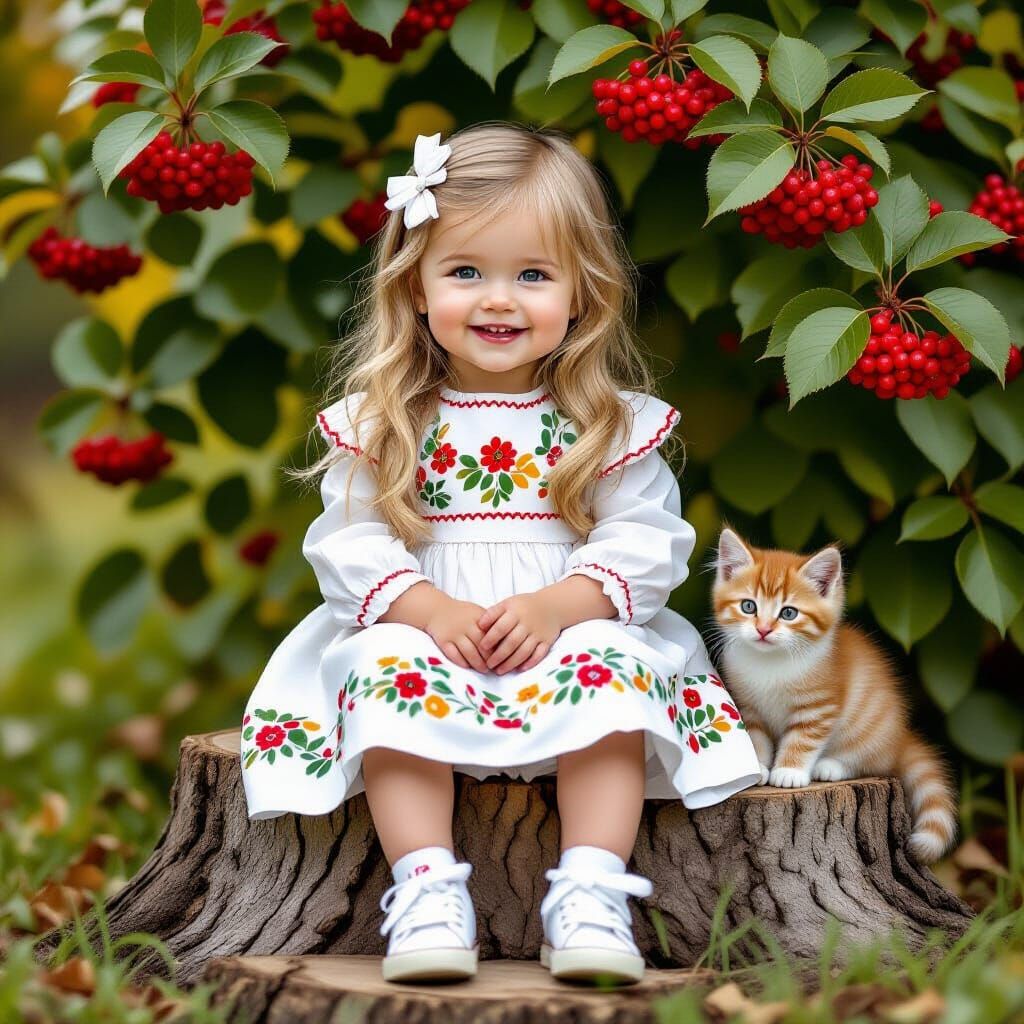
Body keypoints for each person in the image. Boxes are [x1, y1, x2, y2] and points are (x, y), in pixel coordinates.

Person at [239, 122, 761, 987]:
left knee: (617, 664)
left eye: (533, 275)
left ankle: (590, 890)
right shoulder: (384, 422)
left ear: (583, 292)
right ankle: (426, 890)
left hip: (562, 632)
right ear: (414, 285)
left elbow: (646, 543)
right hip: (428, 632)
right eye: (466, 272)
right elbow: (350, 542)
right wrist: (427, 611)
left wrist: (561, 607)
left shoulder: (608, 423)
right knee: (379, 663)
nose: (499, 301)